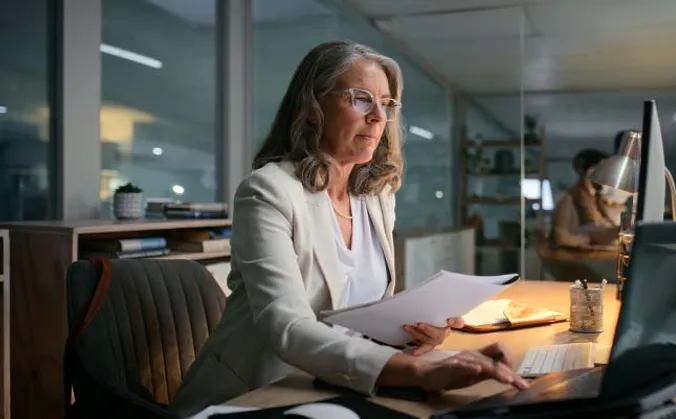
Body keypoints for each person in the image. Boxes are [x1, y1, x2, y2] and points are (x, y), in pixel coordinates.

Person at [168, 41, 528, 418]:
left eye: (386, 104)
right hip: (258, 392)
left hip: (337, 387)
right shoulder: (268, 191)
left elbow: (360, 318)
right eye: (361, 99)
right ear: (312, 107)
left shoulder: (377, 196)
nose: (378, 117)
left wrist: (415, 333)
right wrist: (418, 372)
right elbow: (287, 326)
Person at [550, 149, 625, 249]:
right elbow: (561, 238)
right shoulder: (568, 200)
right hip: (577, 257)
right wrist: (590, 238)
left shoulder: (598, 199)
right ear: (591, 172)